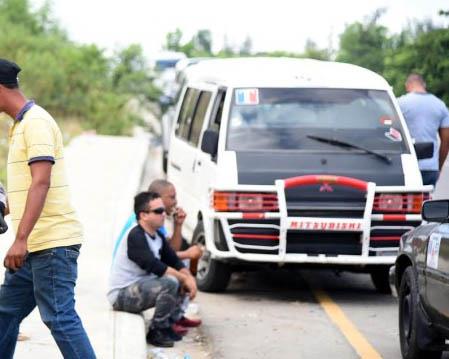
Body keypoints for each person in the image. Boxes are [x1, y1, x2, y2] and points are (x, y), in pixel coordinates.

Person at [0, 59, 95, 358]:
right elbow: (28, 187)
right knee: (5, 313)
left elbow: (41, 182)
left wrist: (20, 238)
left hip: (51, 244)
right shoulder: (21, 125)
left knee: (60, 318)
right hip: (35, 246)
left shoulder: (37, 123)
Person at [108, 192, 197, 348]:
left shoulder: (156, 236)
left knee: (179, 277)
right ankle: (156, 331)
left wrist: (188, 276)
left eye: (163, 210)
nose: (164, 214)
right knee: (171, 282)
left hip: (140, 288)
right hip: (121, 296)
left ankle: (168, 325)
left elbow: (173, 260)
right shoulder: (135, 235)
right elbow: (155, 266)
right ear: (143, 215)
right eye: (158, 211)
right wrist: (184, 279)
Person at [398, 73, 449, 186]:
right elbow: (446, 141)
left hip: (406, 167)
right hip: (430, 168)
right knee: (426, 202)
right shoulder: (440, 105)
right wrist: (438, 166)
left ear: (408, 85)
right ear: (424, 85)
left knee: (408, 203)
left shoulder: (400, 103)